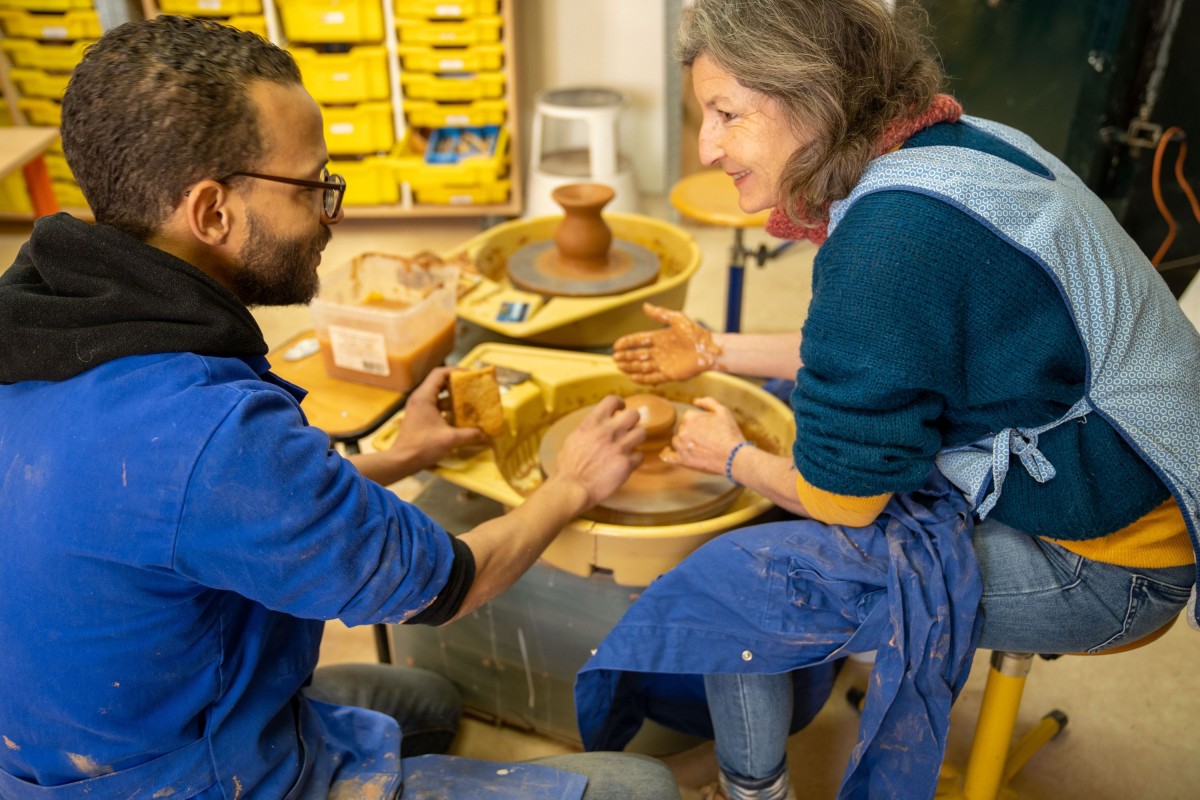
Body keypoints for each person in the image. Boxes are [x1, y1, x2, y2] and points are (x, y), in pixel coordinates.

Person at [0, 16, 682, 800]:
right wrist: (574, 483)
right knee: (643, 785)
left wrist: (405, 453)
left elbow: (196, 505)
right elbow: (454, 583)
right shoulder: (207, 435)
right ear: (212, 212)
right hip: (185, 783)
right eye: (312, 185)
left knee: (421, 703)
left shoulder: (45, 323)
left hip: (75, 748)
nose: (333, 213)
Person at [575, 1, 1200, 799]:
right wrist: (711, 350)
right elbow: (889, 351)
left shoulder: (888, 243)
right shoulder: (952, 144)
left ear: (813, 97)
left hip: (1116, 562)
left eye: (727, 114)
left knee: (738, 584)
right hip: (1127, 468)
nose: (706, 146)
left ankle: (753, 793)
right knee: (784, 406)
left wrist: (727, 456)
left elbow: (844, 504)